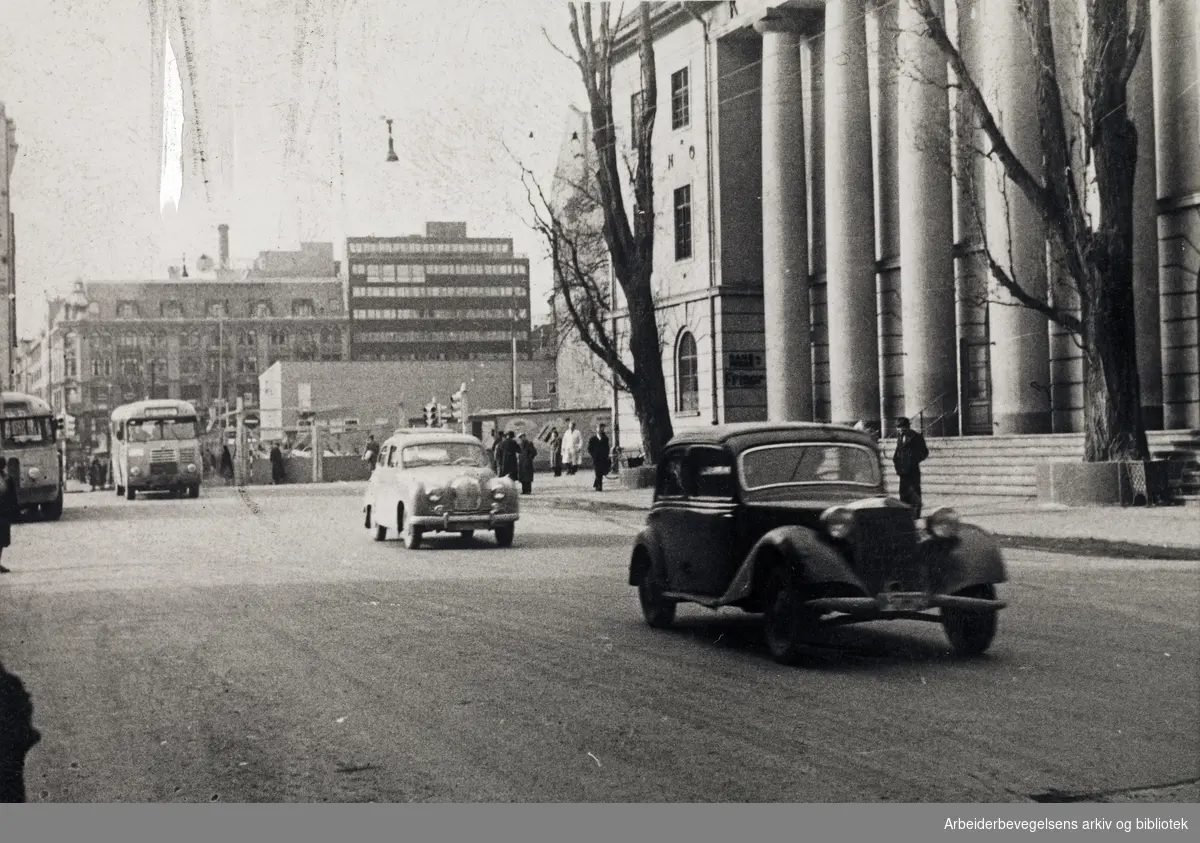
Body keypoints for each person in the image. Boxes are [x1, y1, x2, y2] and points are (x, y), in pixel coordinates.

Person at [893, 416, 929, 518]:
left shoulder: (916, 437)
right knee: (903, 494)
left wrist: (913, 461)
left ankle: (916, 515)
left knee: (914, 494)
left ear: (907, 427)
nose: (899, 430)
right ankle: (905, 516)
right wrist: (897, 465)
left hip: (913, 471)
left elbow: (924, 453)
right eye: (898, 427)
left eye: (901, 427)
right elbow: (898, 452)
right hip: (902, 472)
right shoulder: (900, 437)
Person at [0, 463, 18, 574]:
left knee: (1, 540)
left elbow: (12, 496)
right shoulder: (7, 478)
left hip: (3, 513)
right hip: (4, 513)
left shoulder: (7, 479)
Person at [587, 423, 612, 492]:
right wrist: (593, 455)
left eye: (602, 428)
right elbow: (589, 448)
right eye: (599, 428)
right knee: (597, 472)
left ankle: (597, 484)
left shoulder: (605, 438)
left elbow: (607, 448)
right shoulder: (593, 439)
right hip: (596, 458)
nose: (601, 430)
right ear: (596, 429)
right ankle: (599, 486)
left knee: (601, 472)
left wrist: (606, 456)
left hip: (603, 458)